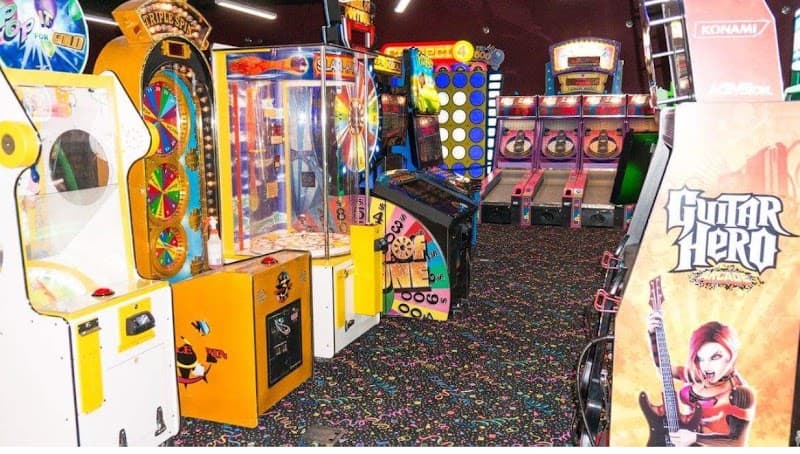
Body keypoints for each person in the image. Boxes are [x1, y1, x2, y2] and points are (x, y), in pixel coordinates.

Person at [646, 313, 755, 446]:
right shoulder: (698, 375)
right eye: (701, 358)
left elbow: (737, 443)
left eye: (715, 357)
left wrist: (696, 438)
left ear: (731, 354)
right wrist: (653, 335)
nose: (706, 367)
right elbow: (664, 369)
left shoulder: (741, 394)